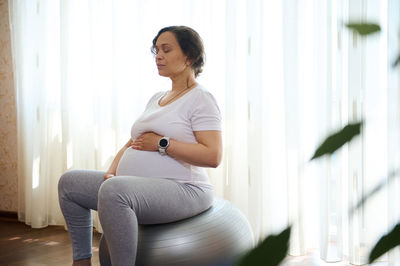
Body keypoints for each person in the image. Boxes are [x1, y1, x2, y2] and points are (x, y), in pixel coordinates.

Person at [58, 25, 223, 266]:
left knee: (115, 192)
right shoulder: (156, 98)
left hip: (185, 188)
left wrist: (162, 144)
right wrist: (112, 171)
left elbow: (213, 156)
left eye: (166, 50)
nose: (158, 56)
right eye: (156, 50)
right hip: (132, 188)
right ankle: (81, 262)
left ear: (189, 56)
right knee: (69, 183)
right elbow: (133, 142)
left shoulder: (201, 98)